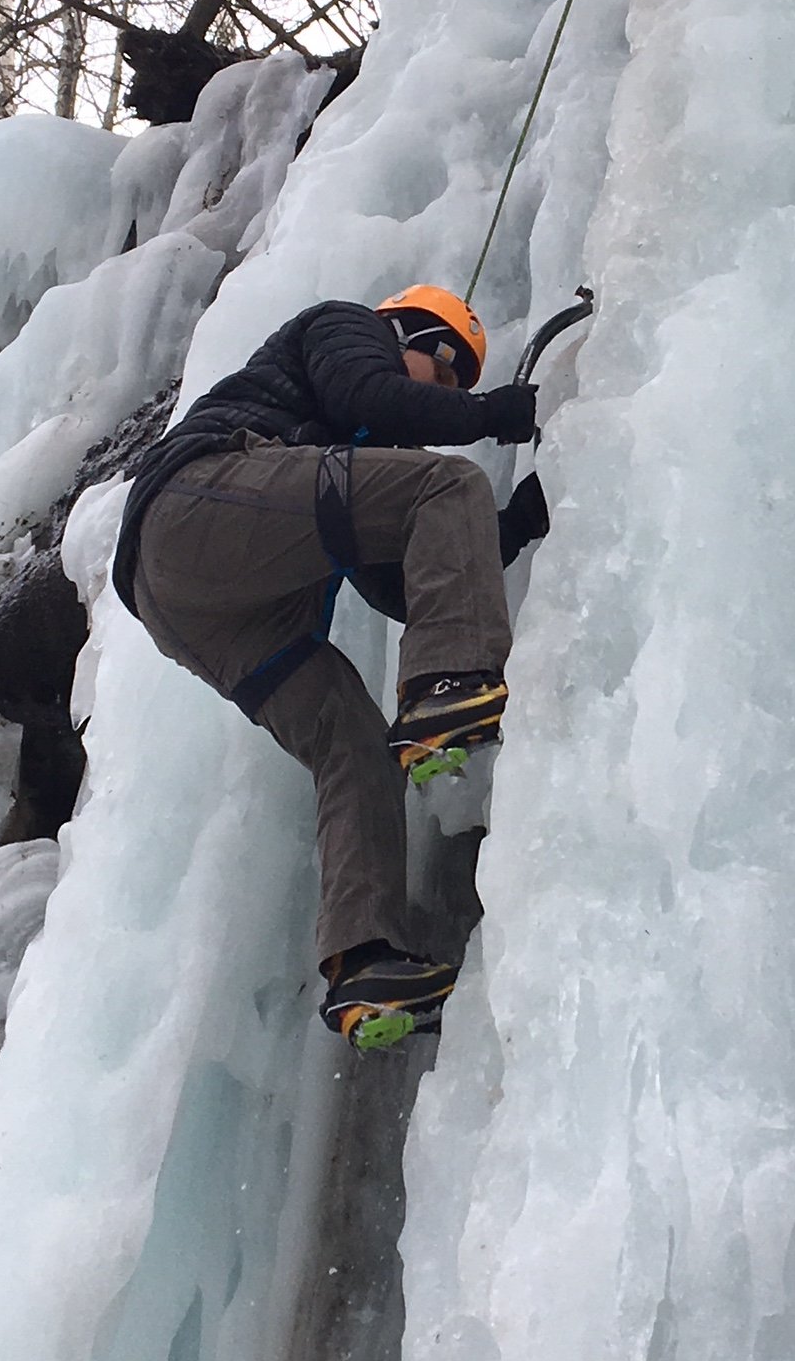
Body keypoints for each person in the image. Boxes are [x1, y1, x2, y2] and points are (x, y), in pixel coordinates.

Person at [110, 285, 548, 1051]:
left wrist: (511, 529)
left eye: (457, 388)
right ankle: (449, 688)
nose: (442, 391)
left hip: (194, 609)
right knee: (449, 484)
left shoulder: (356, 468)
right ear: (401, 326)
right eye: (442, 365)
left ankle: (366, 959)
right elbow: (364, 390)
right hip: (197, 502)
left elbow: (403, 588)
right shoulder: (345, 326)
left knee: (350, 740)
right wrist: (492, 417)